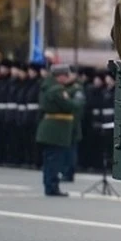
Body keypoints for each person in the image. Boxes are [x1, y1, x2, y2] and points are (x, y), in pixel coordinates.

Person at [35, 65, 81, 197]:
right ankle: (52, 186)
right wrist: (75, 101)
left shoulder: (47, 86)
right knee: (54, 160)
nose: (67, 78)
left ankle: (49, 185)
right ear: (59, 76)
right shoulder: (58, 90)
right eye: (65, 76)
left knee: (50, 159)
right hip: (56, 131)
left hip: (50, 129)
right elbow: (70, 106)